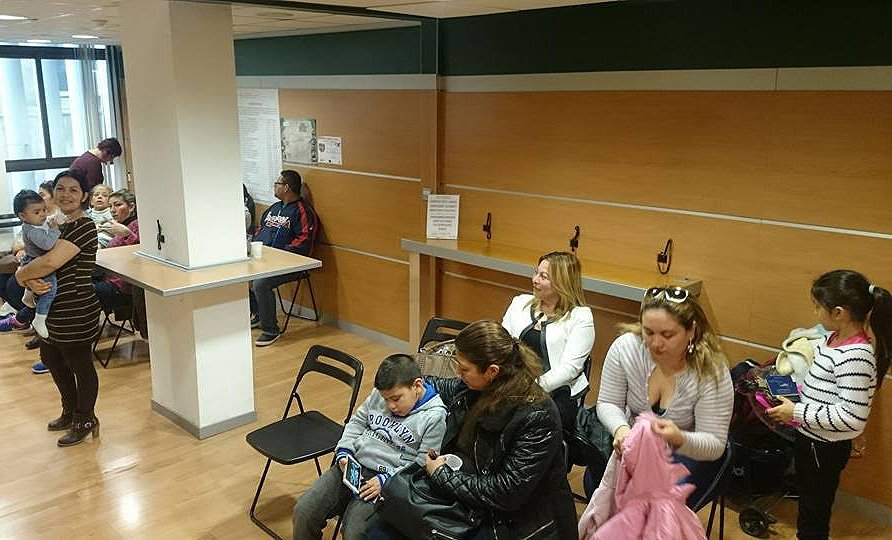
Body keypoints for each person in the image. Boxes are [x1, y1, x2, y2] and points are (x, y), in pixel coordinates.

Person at [366, 320, 578, 540]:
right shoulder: (475, 387)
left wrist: (441, 475)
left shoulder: (537, 416)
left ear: (492, 371)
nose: (458, 373)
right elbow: (436, 386)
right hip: (464, 492)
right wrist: (403, 388)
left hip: (507, 519)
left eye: (464, 369)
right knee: (380, 529)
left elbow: (506, 493)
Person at [767, 270, 891, 540]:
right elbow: (830, 393)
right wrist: (795, 396)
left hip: (823, 448)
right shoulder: (833, 339)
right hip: (812, 438)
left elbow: (852, 417)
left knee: (814, 513)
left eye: (818, 307)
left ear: (838, 313)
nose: (815, 312)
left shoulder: (855, 355)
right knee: (809, 505)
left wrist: (795, 411)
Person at [595, 286, 733, 508]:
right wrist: (621, 430)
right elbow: (608, 402)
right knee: (597, 482)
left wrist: (679, 439)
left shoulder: (711, 371)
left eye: (667, 335)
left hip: (690, 455)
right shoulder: (626, 348)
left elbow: (715, 443)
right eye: (648, 332)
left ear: (692, 331)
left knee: (655, 505)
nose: (656, 343)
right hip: (637, 449)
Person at [292, 354, 447, 540]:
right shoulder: (379, 395)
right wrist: (344, 452)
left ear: (417, 386)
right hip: (353, 465)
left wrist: (385, 480)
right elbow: (356, 423)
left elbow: (423, 464)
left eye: (396, 399)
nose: (390, 406)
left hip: (387, 481)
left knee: (354, 533)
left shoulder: (434, 417)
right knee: (304, 511)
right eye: (385, 399)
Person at [15, 169, 102, 447]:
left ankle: (85, 418)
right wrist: (28, 277)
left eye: (73, 190)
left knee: (80, 365)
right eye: (60, 188)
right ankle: (70, 410)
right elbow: (34, 258)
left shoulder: (84, 226)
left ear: (84, 196)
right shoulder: (54, 223)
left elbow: (50, 263)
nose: (65, 195)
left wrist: (21, 276)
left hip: (75, 307)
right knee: (51, 359)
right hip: (52, 307)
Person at [501, 251, 594, 430]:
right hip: (512, 384)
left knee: (521, 422)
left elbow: (570, 368)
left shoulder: (580, 317)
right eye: (536, 272)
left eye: (543, 277)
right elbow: (502, 344)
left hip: (556, 394)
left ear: (562, 283)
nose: (535, 280)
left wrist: (531, 388)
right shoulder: (519, 303)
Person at [249, 169, 314, 347]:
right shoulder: (274, 209)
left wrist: (279, 255)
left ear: (286, 188)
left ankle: (271, 330)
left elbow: (304, 241)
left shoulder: (302, 211)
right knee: (240, 274)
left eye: (276, 183)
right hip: (266, 260)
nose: (274, 186)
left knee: (260, 283)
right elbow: (260, 230)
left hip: (291, 264)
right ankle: (258, 314)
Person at [13, 190, 61, 339]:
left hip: (33, 259)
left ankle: (28, 298)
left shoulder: (35, 223)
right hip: (36, 261)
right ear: (23, 216)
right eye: (37, 212)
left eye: (44, 210)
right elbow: (47, 244)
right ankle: (40, 318)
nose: (43, 214)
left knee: (37, 286)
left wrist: (53, 220)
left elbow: (48, 221)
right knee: (49, 289)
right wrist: (55, 229)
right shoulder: (31, 230)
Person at [93, 189, 139, 312]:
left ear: (131, 207)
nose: (112, 210)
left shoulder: (137, 225)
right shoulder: (117, 226)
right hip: (109, 276)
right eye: (110, 206)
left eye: (118, 205)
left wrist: (127, 234)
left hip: (124, 287)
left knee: (83, 293)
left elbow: (140, 251)